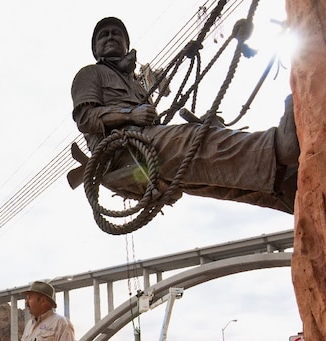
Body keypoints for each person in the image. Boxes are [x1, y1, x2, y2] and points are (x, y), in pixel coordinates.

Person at [70, 16, 300, 214]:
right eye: (104, 35)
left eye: (116, 34)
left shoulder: (138, 85)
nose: (110, 37)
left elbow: (151, 124)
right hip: (123, 154)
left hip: (144, 148)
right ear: (96, 49)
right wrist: (131, 114)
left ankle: (284, 188)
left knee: (203, 171)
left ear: (126, 43)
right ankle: (278, 148)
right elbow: (86, 118)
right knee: (192, 141)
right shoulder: (90, 74)